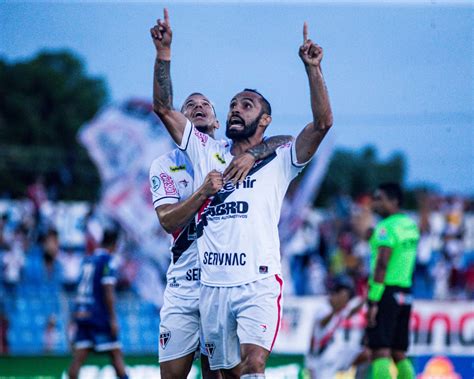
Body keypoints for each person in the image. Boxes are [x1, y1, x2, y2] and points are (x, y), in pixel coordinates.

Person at [151, 9, 333, 377]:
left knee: (255, 363)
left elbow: (321, 124)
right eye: (233, 104)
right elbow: (162, 108)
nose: (236, 109)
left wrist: (313, 69)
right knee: (227, 374)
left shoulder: (279, 158)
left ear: (264, 120)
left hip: (258, 281)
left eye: (246, 105)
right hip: (213, 286)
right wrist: (164, 53)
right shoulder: (206, 152)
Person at [366, 183, 420, 379]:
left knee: (380, 350)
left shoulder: (385, 227)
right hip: (405, 292)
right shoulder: (410, 225)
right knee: (399, 352)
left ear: (394, 201)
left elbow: (382, 264)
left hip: (385, 292)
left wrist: (373, 300)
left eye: (380, 198)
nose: (376, 203)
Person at [68, 229, 128, 379]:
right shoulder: (107, 260)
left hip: (83, 314)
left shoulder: (88, 260)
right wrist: (113, 319)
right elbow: (108, 290)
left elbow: (78, 289)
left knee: (78, 358)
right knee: (116, 354)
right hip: (99, 316)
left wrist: (73, 316)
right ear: (114, 244)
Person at [306, 276, 366, 379]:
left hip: (336, 354)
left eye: (347, 298)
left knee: (367, 354)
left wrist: (366, 298)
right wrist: (335, 310)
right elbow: (322, 322)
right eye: (343, 297)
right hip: (320, 358)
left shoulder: (340, 310)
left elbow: (352, 311)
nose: (345, 301)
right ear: (335, 295)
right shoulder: (323, 308)